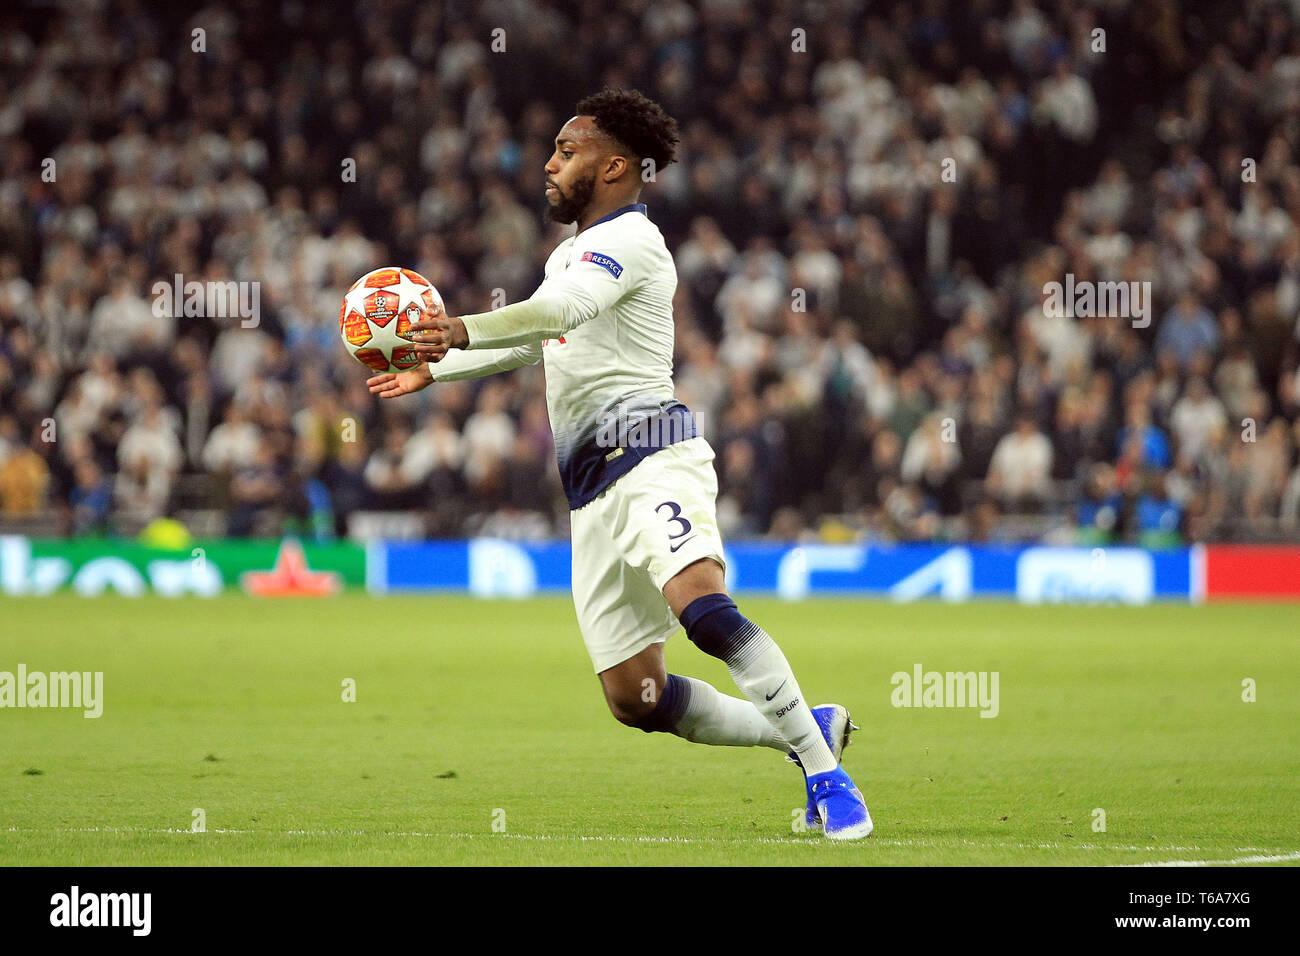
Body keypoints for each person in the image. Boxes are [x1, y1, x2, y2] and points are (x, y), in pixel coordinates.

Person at [366, 89, 872, 839]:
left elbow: (559, 313)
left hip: (651, 454)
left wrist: (457, 328)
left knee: (702, 609)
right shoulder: (570, 253)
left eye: (565, 151)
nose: (549, 162)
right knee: (635, 698)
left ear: (613, 166)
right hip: (590, 493)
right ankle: (805, 732)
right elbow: (541, 337)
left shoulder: (632, 242)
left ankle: (830, 783)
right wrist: (434, 371)